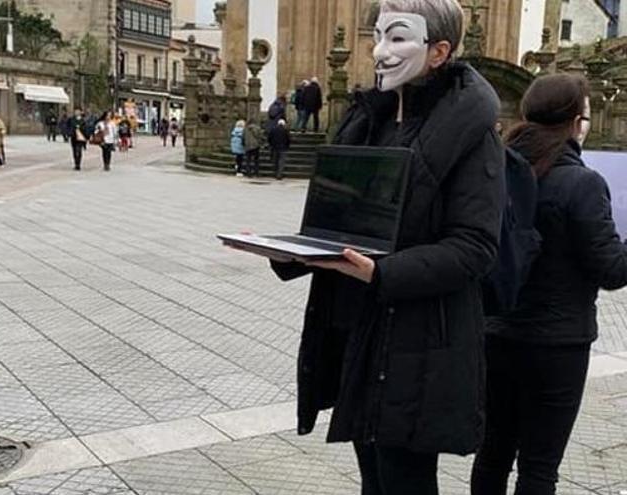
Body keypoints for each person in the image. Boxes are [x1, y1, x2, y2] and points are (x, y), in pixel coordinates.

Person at [263, 1, 506, 493]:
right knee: (373, 478)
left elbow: (475, 247)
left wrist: (383, 273)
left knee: (403, 481)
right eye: (377, 36)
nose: (380, 51)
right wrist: (298, 251)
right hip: (358, 328)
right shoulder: (366, 121)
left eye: (397, 38)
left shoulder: (473, 136)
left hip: (419, 340)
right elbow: (344, 220)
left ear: (439, 51)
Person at [471, 74, 627, 495]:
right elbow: (612, 270)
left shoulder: (497, 169)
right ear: (577, 122)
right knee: (539, 467)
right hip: (556, 344)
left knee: (493, 453)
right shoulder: (583, 183)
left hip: (497, 334)